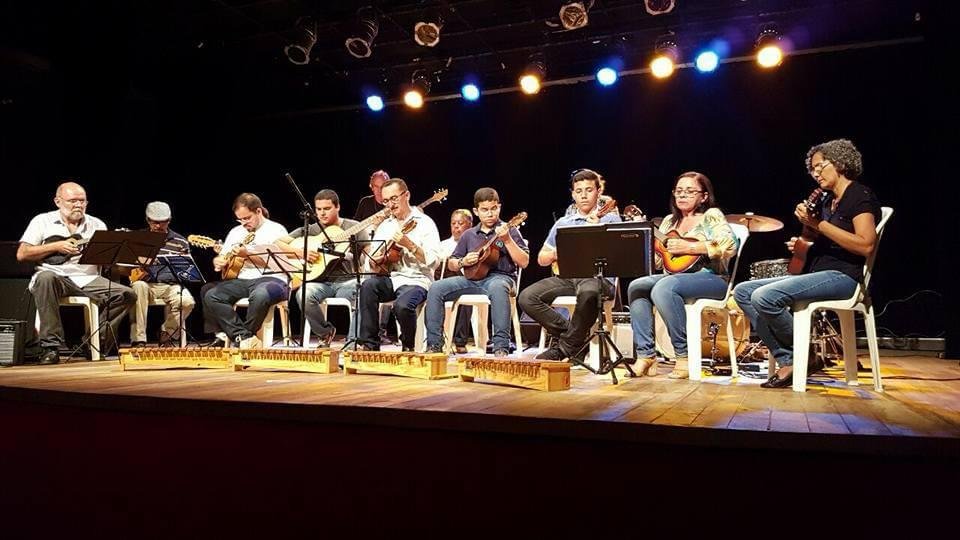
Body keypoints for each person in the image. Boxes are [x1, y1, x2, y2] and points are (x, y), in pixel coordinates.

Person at [733, 139, 880, 388]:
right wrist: (803, 241)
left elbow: (865, 245)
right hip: (819, 272)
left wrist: (817, 224)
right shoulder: (826, 201)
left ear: (840, 163)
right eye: (812, 169)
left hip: (845, 277)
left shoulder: (859, 195)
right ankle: (791, 359)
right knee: (743, 291)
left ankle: (804, 354)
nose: (815, 173)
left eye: (820, 166)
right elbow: (822, 239)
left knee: (765, 297)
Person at [626, 172, 738, 379]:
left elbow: (730, 245)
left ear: (704, 196)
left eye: (689, 191)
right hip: (674, 277)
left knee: (664, 288)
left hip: (712, 278)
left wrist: (691, 247)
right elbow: (661, 262)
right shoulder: (669, 222)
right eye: (678, 191)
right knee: (637, 286)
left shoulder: (711, 216)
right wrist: (648, 246)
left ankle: (684, 356)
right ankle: (645, 355)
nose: (682, 195)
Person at [17, 181, 136, 364]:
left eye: (82, 201)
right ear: (58, 201)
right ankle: (50, 347)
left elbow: (107, 262)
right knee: (45, 278)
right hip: (55, 276)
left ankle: (93, 342)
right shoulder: (42, 221)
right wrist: (56, 246)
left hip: (88, 279)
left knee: (127, 294)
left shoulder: (97, 224)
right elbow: (22, 253)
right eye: (73, 201)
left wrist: (110, 252)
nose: (78, 205)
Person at [518, 169, 622, 362]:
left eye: (589, 190)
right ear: (573, 194)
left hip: (598, 278)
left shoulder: (611, 219)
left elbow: (619, 255)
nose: (584, 195)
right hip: (567, 278)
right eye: (579, 191)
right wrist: (558, 253)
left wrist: (596, 230)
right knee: (527, 297)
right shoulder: (563, 223)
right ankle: (576, 339)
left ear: (598, 192)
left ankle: (564, 349)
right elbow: (541, 259)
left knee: (589, 292)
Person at [425, 189, 529, 356]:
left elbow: (524, 262)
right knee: (436, 288)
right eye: (485, 210)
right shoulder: (469, 234)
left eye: (494, 208)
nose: (490, 213)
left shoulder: (509, 230)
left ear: (499, 207)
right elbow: (452, 263)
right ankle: (434, 345)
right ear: (476, 211)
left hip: (501, 278)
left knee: (498, 287)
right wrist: (463, 262)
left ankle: (500, 347)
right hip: (472, 280)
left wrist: (507, 240)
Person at [274, 189, 369, 347]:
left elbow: (369, 250)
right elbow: (278, 243)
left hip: (347, 280)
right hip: (320, 282)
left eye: (327, 208)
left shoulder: (354, 227)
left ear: (337, 207)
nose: (322, 213)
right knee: (304, 294)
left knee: (361, 293)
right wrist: (302, 253)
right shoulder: (311, 229)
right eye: (318, 209)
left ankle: (352, 343)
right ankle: (325, 333)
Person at [356, 178, 441, 351]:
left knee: (402, 305)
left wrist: (410, 245)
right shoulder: (385, 226)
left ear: (406, 195)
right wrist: (375, 260)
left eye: (394, 199)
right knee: (368, 286)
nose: (390, 205)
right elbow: (371, 265)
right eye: (386, 201)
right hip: (393, 278)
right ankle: (370, 346)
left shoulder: (425, 223)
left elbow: (434, 261)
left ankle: (408, 347)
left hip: (418, 280)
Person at [201, 193, 289, 349]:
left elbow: (281, 263)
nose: (243, 223)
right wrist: (218, 261)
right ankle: (244, 338)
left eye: (247, 218)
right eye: (240, 219)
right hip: (242, 280)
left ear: (258, 211)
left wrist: (248, 254)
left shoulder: (277, 230)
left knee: (260, 295)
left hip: (273, 279)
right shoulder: (236, 232)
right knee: (211, 295)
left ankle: (242, 338)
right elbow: (223, 256)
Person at [128, 201, 196, 347]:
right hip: (146, 284)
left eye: (163, 222)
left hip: (170, 285)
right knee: (138, 286)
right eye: (155, 222)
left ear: (169, 220)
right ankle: (139, 339)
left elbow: (186, 270)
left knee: (187, 302)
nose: (158, 226)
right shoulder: (138, 238)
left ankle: (166, 332)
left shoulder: (180, 241)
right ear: (148, 220)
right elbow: (127, 267)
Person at [354, 169, 398, 345]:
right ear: (371, 187)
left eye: (383, 186)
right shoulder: (365, 203)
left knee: (381, 275)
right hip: (367, 249)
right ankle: (364, 333)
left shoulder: (394, 205)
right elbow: (356, 229)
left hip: (389, 250)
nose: (380, 191)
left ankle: (381, 329)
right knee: (367, 271)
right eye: (376, 187)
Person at [438, 208, 474, 353]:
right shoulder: (443, 245)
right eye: (453, 223)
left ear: (470, 225)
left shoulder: (475, 243)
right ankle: (437, 339)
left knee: (466, 297)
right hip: (445, 283)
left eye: (460, 223)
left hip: (466, 283)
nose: (456, 227)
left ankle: (460, 341)